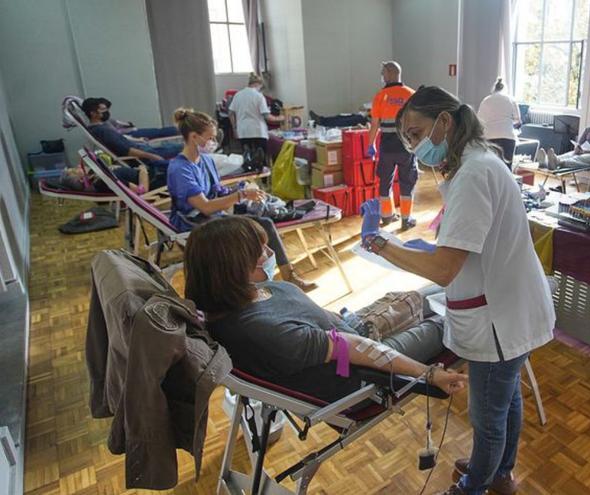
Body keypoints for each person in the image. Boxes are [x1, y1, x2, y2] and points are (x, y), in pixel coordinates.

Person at [361, 86, 555, 495]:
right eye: (407, 138)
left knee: (488, 417)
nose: (414, 146)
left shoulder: (474, 174)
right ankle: (500, 471)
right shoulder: (479, 163)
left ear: (445, 122)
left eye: (416, 133)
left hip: (500, 318)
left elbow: (445, 269)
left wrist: (385, 247)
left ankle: (474, 485)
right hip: (510, 304)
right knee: (506, 402)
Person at [184, 216, 468, 402]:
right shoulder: (262, 331)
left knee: (429, 294)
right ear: (235, 267)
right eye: (262, 253)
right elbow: (353, 348)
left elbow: (326, 322)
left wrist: (354, 323)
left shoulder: (249, 293)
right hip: (366, 366)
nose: (271, 256)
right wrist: (430, 374)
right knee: (455, 316)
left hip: (355, 331)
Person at [166, 107, 316, 291]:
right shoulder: (180, 169)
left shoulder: (205, 161)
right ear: (194, 137)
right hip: (194, 222)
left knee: (265, 224)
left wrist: (243, 188)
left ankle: (288, 276)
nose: (213, 142)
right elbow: (204, 207)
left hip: (213, 216)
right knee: (249, 232)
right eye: (210, 138)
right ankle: (250, 286)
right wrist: (241, 195)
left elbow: (217, 190)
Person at [367, 61, 418, 230]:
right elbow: (418, 123)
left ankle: (387, 216)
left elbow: (374, 124)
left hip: (387, 147)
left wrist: (371, 144)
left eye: (383, 73)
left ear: (390, 73)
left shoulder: (379, 96)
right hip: (406, 146)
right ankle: (406, 219)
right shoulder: (412, 95)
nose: (382, 76)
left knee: (385, 181)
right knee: (407, 182)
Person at [81, 98, 182, 180]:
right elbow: (126, 150)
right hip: (143, 155)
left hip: (142, 149)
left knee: (175, 146)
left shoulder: (100, 128)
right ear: (93, 113)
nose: (106, 112)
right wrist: (152, 156)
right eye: (102, 111)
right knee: (182, 148)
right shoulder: (103, 131)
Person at [228, 73, 285, 161]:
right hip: (258, 132)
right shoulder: (259, 96)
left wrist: (234, 128)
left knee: (247, 159)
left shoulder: (238, 95)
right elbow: (267, 116)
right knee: (260, 159)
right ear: (259, 84)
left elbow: (230, 113)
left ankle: (249, 173)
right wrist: (281, 118)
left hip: (243, 132)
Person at [540, 105, 590, 171]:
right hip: (582, 152)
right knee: (567, 155)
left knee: (577, 159)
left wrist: (586, 152)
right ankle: (545, 162)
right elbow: (580, 143)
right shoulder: (589, 129)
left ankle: (558, 162)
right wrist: (577, 148)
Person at [477, 78, 521, 168]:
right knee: (507, 168)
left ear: (494, 89)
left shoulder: (486, 100)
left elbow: (479, 121)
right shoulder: (511, 100)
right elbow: (518, 121)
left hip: (489, 137)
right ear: (505, 89)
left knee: (490, 166)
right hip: (508, 137)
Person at [87, 97, 179, 139]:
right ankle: (182, 129)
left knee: (159, 131)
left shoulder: (104, 121)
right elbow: (118, 136)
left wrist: (127, 125)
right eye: (103, 109)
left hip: (130, 132)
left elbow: (116, 123)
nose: (106, 112)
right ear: (93, 113)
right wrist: (137, 139)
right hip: (131, 136)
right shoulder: (102, 128)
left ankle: (181, 129)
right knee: (159, 132)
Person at [58, 161, 151, 194]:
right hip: (154, 179)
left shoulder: (98, 179)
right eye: (75, 170)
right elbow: (142, 190)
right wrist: (143, 171)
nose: (79, 166)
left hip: (149, 173)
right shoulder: (103, 181)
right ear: (81, 179)